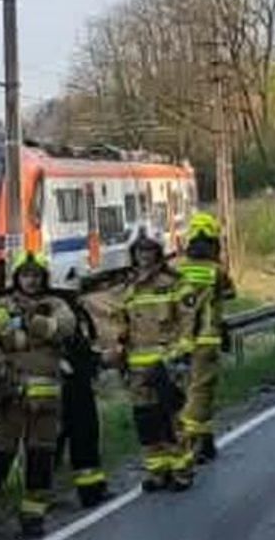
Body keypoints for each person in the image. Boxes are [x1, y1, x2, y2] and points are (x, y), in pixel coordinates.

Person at [0, 252, 77, 537]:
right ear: (17, 277)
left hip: (46, 399)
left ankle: (33, 516)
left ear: (44, 278)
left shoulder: (58, 304)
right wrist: (36, 331)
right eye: (26, 275)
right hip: (11, 394)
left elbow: (63, 330)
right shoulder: (3, 304)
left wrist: (26, 324)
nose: (31, 281)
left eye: (36, 275)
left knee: (40, 456)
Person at [118, 231, 194, 491]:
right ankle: (157, 472)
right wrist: (119, 352)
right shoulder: (128, 287)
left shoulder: (174, 283)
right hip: (137, 368)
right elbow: (122, 324)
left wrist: (180, 353)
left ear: (157, 254)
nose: (144, 256)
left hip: (166, 365)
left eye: (149, 250)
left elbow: (187, 320)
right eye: (139, 251)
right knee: (146, 423)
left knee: (171, 420)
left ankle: (181, 471)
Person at [175, 212, 237, 465]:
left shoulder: (178, 269)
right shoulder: (216, 271)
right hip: (206, 339)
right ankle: (189, 441)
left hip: (180, 341)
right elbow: (230, 293)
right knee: (202, 393)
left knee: (189, 390)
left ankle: (205, 441)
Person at [53, 287, 110, 508]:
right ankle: (86, 490)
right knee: (71, 438)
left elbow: (84, 345)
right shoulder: (53, 311)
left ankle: (92, 489)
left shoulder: (77, 310)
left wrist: (96, 360)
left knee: (85, 435)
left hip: (79, 382)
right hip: (64, 385)